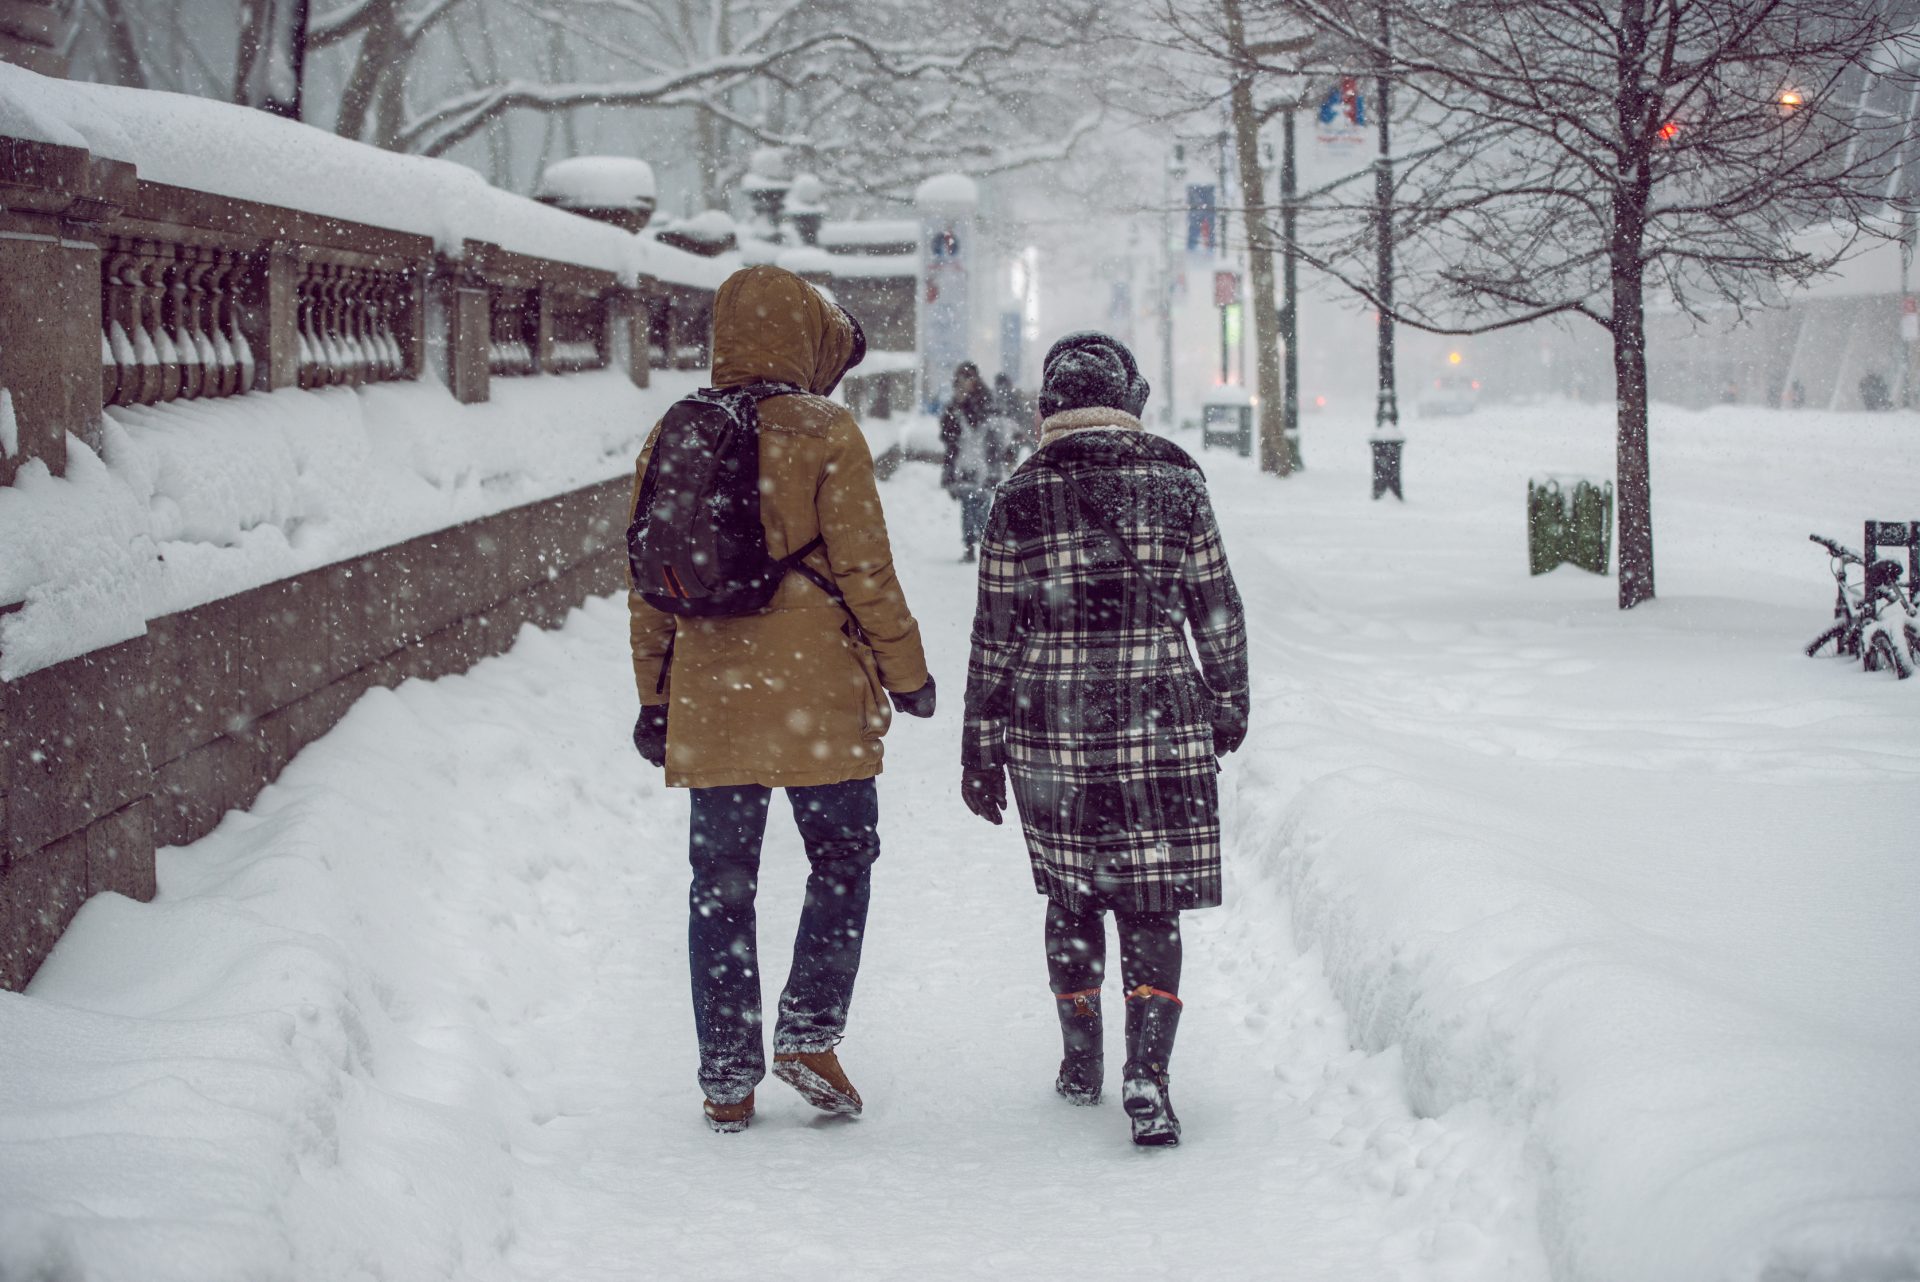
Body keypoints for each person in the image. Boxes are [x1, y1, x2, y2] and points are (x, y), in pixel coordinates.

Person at [628, 265, 935, 1134]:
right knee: (841, 859)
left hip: (712, 692)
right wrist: (906, 674)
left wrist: (655, 695)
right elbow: (865, 572)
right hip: (820, 692)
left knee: (720, 883)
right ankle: (807, 1032)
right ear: (803, 338)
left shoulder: (672, 433)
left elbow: (646, 583)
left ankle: (727, 1076)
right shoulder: (826, 430)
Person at [959, 331, 1249, 1147]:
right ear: (1132, 397)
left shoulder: (1019, 494)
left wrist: (980, 749)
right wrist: (1227, 701)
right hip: (1161, 720)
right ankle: (1148, 1075)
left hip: (1052, 731)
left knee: (1074, 894)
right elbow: (1216, 604)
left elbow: (996, 635)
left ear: (1049, 406)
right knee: (1152, 900)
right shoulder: (1176, 479)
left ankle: (1081, 1060)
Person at [939, 361, 1004, 561]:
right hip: (963, 461)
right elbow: (948, 438)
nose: (966, 382)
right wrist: (956, 407)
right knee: (968, 504)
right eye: (962, 378)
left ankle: (986, 546)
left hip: (984, 460)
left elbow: (993, 432)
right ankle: (969, 547)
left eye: (969, 377)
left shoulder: (986, 400)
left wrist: (965, 404)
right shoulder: (954, 405)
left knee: (983, 503)